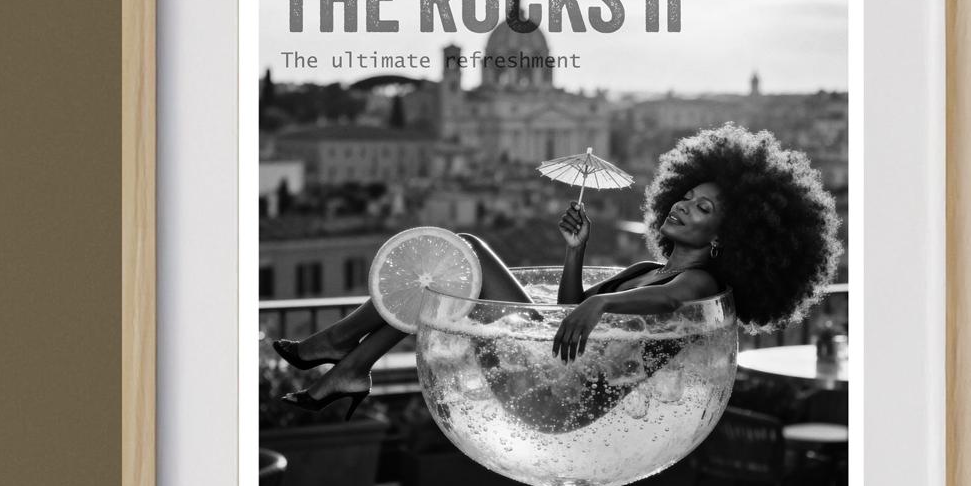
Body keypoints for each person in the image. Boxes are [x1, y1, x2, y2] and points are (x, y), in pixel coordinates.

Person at [273, 124, 841, 391]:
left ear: (731, 233)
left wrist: (600, 309)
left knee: (463, 250)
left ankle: (334, 352)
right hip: (551, 361)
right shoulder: (649, 269)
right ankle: (348, 368)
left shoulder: (702, 281)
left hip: (565, 386)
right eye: (686, 197)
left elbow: (663, 301)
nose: (685, 208)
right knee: (448, 267)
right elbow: (570, 307)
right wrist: (577, 253)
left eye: (704, 208)